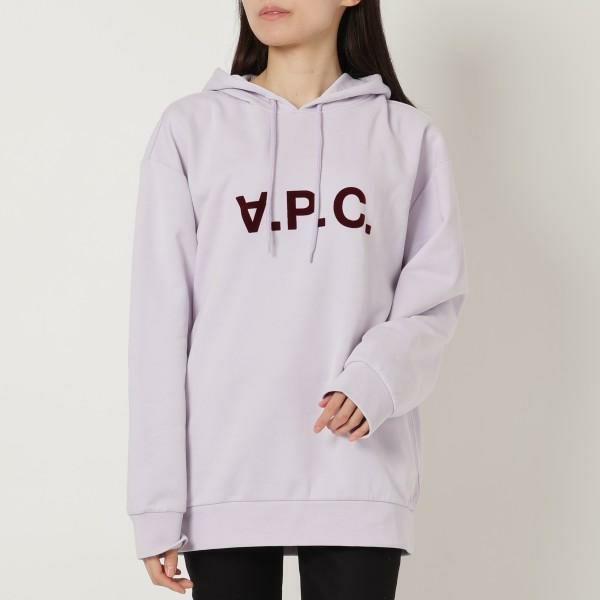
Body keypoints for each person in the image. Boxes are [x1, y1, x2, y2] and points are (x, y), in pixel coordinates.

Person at [126, 0, 468, 597]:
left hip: (357, 467)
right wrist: (156, 501)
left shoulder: (405, 136)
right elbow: (159, 324)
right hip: (223, 477)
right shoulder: (191, 129)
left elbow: (434, 298)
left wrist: (377, 377)